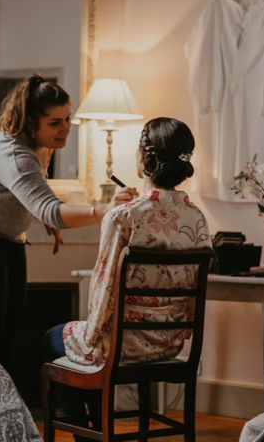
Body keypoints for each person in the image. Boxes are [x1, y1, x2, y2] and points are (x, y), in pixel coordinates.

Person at [0, 75, 137, 370]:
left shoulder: (41, 148)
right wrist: (100, 210)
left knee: (8, 331)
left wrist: (44, 219)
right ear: (29, 123)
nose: (65, 129)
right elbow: (50, 209)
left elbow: (32, 195)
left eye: (68, 119)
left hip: (3, 238)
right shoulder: (11, 151)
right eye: (55, 123)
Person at [43, 117, 211, 433]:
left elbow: (104, 288)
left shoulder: (123, 216)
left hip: (122, 346)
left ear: (143, 157)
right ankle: (100, 428)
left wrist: (91, 337)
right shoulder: (198, 218)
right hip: (170, 344)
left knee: (53, 337)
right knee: (77, 342)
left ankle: (91, 435)